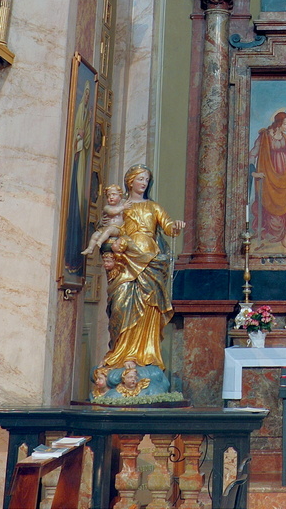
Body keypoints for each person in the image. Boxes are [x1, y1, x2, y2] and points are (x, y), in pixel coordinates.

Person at [100, 164, 185, 371]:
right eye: (140, 179)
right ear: (130, 181)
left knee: (148, 307)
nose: (143, 183)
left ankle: (144, 355)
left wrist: (176, 226)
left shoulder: (154, 207)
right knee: (120, 304)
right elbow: (109, 233)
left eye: (146, 180)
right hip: (126, 262)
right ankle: (119, 352)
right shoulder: (121, 206)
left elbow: (167, 227)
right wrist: (114, 244)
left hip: (151, 261)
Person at [249, 112, 286, 242]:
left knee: (284, 205)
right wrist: (253, 172)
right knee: (269, 205)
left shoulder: (285, 138)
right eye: (285, 124)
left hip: (285, 178)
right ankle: (269, 234)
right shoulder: (264, 137)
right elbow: (252, 155)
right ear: (278, 123)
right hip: (268, 178)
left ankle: (281, 235)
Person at [64, 81, 92, 274]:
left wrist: (84, 136)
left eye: (90, 95)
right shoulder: (80, 109)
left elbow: (89, 140)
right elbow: (77, 135)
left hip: (82, 164)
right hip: (76, 163)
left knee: (80, 210)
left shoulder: (88, 115)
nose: (88, 97)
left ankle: (75, 259)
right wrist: (77, 137)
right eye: (87, 94)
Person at [82, 184, 125, 255]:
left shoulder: (123, 204)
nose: (111, 197)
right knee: (95, 235)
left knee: (109, 229)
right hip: (105, 228)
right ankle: (90, 248)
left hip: (116, 229)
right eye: (108, 196)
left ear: (120, 196)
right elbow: (113, 212)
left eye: (114, 194)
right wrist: (123, 207)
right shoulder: (107, 207)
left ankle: (100, 241)